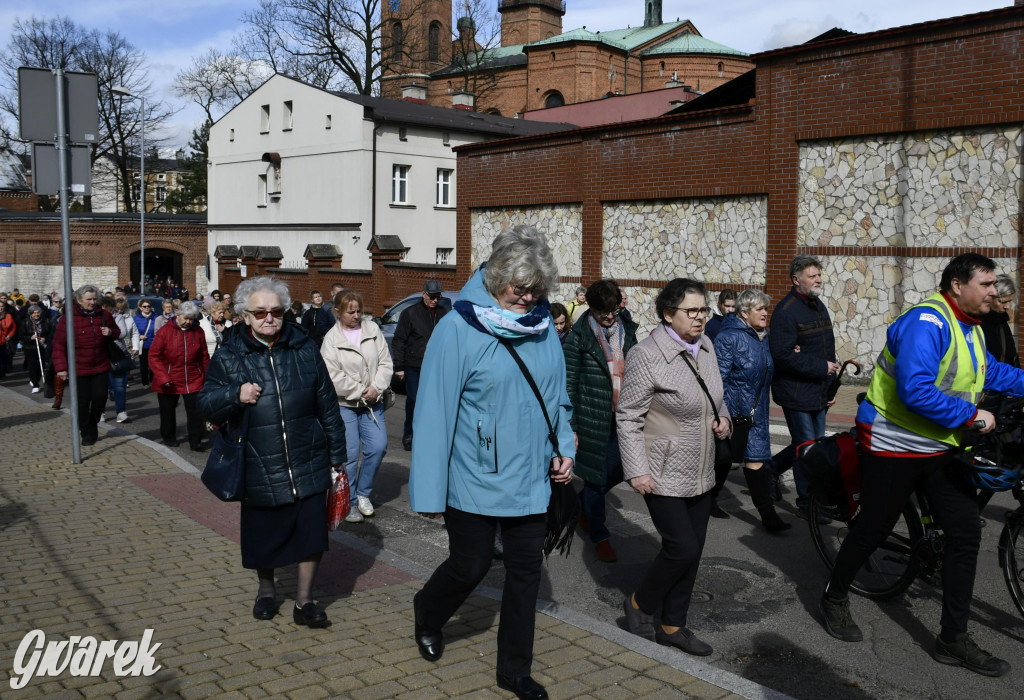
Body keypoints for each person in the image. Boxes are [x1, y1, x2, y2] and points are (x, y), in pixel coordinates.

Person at [819, 253, 1024, 678]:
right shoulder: (926, 322)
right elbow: (915, 390)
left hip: (936, 446)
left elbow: (988, 372)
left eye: (994, 285)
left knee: (965, 532)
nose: (993, 292)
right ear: (957, 286)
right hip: (893, 444)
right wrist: (971, 417)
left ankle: (953, 639)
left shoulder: (970, 326)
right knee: (874, 528)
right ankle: (834, 595)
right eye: (985, 284)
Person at [409, 226, 574, 700]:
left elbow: (558, 400)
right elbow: (435, 413)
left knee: (525, 573)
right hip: (474, 473)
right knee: (471, 565)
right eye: (518, 289)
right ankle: (429, 610)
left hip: (532, 478)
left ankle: (514, 671)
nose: (527, 298)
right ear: (496, 277)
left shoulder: (542, 327)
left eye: (536, 290)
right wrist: (428, 492)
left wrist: (565, 449)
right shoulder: (458, 327)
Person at [197, 276, 347, 627]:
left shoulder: (305, 347)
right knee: (263, 534)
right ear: (245, 316)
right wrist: (234, 395)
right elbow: (205, 403)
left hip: (307, 454)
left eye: (276, 311)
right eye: (260, 312)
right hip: (257, 459)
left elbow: (326, 404)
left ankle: (304, 601)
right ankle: (266, 590)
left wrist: (337, 456)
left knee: (311, 535)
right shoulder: (230, 354)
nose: (269, 318)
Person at [617, 278, 729, 656]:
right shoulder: (646, 355)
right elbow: (628, 417)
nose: (700, 318)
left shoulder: (707, 347)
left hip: (702, 467)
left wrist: (724, 419)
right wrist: (637, 470)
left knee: (693, 550)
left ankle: (673, 624)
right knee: (680, 548)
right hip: (661, 469)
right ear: (668, 314)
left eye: (704, 310)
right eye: (692, 311)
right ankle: (639, 604)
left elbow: (715, 397)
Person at [563, 279, 638, 563]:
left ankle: (583, 506)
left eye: (613, 310)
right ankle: (600, 534)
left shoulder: (627, 330)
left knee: (621, 469)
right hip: (592, 417)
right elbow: (569, 383)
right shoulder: (579, 336)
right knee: (596, 477)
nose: (609, 317)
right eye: (602, 312)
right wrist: (570, 426)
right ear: (590, 308)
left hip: (625, 416)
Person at [769, 256, 839, 521]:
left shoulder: (818, 305)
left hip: (818, 391)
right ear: (796, 279)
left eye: (819, 275)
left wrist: (829, 387)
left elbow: (826, 348)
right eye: (812, 276)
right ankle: (807, 502)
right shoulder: (786, 311)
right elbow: (783, 354)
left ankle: (772, 468)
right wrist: (822, 369)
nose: (818, 280)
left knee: (811, 446)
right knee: (807, 448)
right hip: (796, 392)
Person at [714, 290, 789, 531]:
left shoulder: (764, 337)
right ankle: (704, 499)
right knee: (724, 460)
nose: (765, 312)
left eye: (766, 308)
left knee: (755, 460)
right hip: (735, 413)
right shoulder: (728, 338)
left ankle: (768, 517)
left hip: (757, 411)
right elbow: (718, 380)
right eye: (760, 309)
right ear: (744, 313)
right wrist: (724, 413)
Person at [320, 290, 393, 523]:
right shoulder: (331, 340)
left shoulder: (372, 330)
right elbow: (333, 376)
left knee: (378, 446)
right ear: (338, 313)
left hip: (373, 402)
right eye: (351, 311)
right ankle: (349, 501)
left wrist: (376, 388)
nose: (356, 315)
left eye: (359, 311)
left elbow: (385, 363)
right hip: (345, 404)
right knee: (350, 454)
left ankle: (363, 493)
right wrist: (359, 390)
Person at [51, 285, 121, 445]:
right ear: (79, 300)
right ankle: (85, 430)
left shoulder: (104, 315)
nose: (92, 302)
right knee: (82, 402)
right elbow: (59, 345)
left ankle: (92, 422)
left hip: (100, 366)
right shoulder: (68, 318)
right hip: (78, 368)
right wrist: (61, 368)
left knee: (100, 398)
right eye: (89, 299)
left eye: (95, 299)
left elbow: (116, 332)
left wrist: (110, 333)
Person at [392, 280, 448, 451]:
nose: (435, 300)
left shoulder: (444, 313)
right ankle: (409, 434)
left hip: (435, 366)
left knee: (434, 403)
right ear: (423, 294)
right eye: (432, 297)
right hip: (413, 365)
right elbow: (399, 340)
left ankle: (430, 436)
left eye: (438, 297)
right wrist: (399, 366)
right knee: (415, 400)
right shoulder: (410, 313)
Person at [150, 301, 209, 449]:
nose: (189, 322)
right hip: (169, 378)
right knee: (167, 411)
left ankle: (195, 441)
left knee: (196, 411)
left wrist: (207, 375)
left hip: (193, 377)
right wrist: (163, 377)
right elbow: (154, 356)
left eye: (191, 319)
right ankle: (169, 436)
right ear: (178, 315)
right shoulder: (164, 331)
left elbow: (204, 355)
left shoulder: (198, 331)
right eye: (186, 318)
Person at [106, 297, 139, 423]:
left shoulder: (127, 319)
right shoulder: (100, 319)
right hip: (105, 354)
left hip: (121, 353)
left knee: (120, 385)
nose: (119, 311)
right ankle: (101, 412)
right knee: (105, 385)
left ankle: (121, 412)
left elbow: (131, 333)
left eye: (121, 309)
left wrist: (135, 347)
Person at [979, 274, 1018, 368]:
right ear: (990, 297)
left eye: (1009, 301)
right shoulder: (978, 323)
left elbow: (1011, 356)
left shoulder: (1001, 321)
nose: (1007, 306)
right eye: (1002, 302)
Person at [19, 305, 52, 393]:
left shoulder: (46, 321)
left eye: (38, 312)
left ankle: (35, 379)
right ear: (31, 314)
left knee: (42, 365)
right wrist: (30, 337)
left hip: (42, 346)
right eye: (34, 313)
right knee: (33, 365)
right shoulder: (25, 322)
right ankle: (35, 384)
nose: (36, 314)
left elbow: (50, 333)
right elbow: (21, 336)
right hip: (30, 347)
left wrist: (45, 338)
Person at [133, 299, 159, 387]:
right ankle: (145, 382)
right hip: (142, 345)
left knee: (153, 364)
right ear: (140, 308)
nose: (147, 308)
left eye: (148, 306)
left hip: (154, 344)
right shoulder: (136, 319)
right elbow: (133, 331)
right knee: (143, 364)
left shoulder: (156, 318)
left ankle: (153, 381)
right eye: (144, 306)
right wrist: (139, 336)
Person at [0, 302, 15, 379]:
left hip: (4, 341)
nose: (1, 308)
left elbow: (13, 327)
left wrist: (10, 335)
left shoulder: (8, 316)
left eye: (2, 306)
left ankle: (2, 373)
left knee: (3, 358)